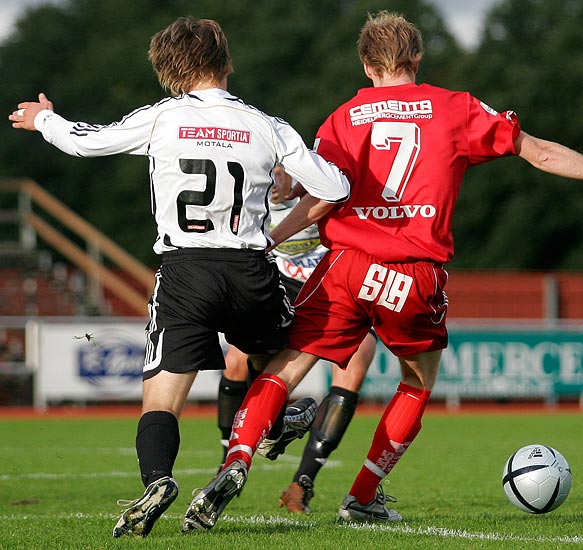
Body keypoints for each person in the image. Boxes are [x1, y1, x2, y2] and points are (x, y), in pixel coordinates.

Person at [181, 10, 583, 530]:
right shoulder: (454, 108)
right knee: (416, 381)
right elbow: (540, 153)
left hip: (344, 266)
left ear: (367, 66)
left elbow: (321, 199)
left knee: (287, 365)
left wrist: (267, 240)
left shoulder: (343, 118)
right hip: (412, 274)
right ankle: (362, 497)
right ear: (416, 59)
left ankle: (236, 460)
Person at [9, 16, 349, 538]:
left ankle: (158, 480)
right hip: (250, 269)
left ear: (168, 69)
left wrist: (44, 120)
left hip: (185, 271)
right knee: (284, 356)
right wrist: (286, 209)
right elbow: (335, 186)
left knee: (162, 398)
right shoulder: (266, 124)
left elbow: (86, 143)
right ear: (227, 63)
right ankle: (277, 420)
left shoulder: (163, 118)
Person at [215, 167, 376, 514]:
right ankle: (229, 457)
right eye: (268, 173)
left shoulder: (321, 184)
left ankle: (302, 482)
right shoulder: (245, 194)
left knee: (356, 362)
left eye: (279, 172)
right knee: (236, 360)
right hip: (281, 285)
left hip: (334, 285)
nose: (274, 183)